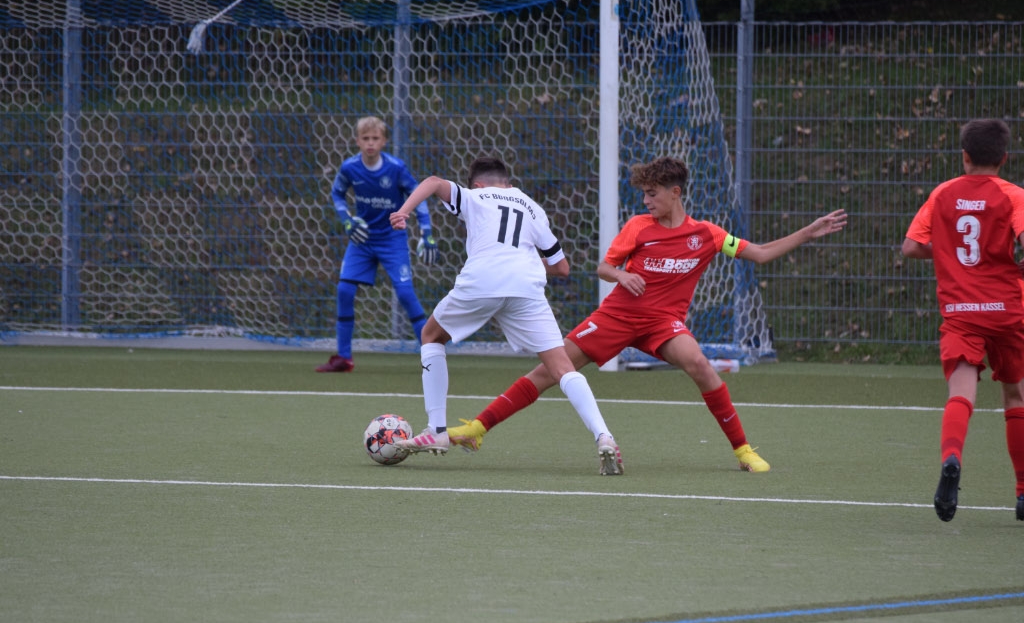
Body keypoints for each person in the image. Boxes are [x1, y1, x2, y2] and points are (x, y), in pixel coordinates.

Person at [447, 156, 847, 473]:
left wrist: (806, 233)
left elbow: (758, 254)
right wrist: (623, 275)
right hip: (617, 317)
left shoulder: (707, 235)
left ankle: (743, 451)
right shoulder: (638, 227)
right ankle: (477, 429)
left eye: (652, 194)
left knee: (700, 365)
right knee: (551, 370)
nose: (645, 201)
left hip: (663, 324)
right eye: (644, 194)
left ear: (675, 193)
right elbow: (604, 268)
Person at [388, 156, 623, 475]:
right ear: (509, 184)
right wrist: (523, 262)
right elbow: (562, 267)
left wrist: (404, 211)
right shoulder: (532, 208)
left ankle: (436, 430)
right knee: (561, 367)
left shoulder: (474, 197)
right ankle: (604, 437)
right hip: (526, 286)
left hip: (482, 280)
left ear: (478, 184)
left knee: (431, 335)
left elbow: (432, 182)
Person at [901, 118, 1024, 523]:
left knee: (961, 393)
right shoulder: (1014, 196)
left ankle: (952, 458)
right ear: (1004, 158)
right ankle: (1023, 492)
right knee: (1015, 397)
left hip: (960, 312)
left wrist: (948, 252)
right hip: (1007, 312)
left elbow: (911, 246)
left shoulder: (943, 193)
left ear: (965, 156)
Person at [316, 116, 439, 373]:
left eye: (375, 138)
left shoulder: (396, 168)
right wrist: (347, 220)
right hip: (362, 240)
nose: (370, 143)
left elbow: (418, 195)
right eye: (365, 138)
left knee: (405, 294)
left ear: (384, 141)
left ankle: (432, 356)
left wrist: (426, 232)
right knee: (344, 291)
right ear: (357, 141)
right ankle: (344, 358)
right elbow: (337, 193)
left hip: (392, 239)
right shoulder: (350, 168)